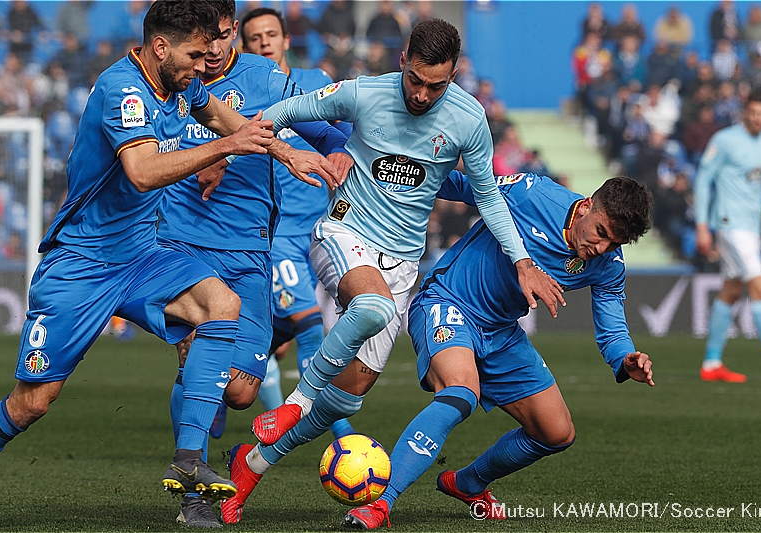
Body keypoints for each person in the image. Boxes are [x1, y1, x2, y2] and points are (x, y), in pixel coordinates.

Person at [220, 18, 564, 523]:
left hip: (402, 264)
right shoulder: (363, 94)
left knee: (344, 400)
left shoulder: (468, 120)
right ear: (403, 59)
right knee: (373, 307)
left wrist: (523, 261)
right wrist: (235, 152)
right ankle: (294, 401)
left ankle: (249, 466)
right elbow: (284, 111)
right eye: (416, 80)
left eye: (437, 86)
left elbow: (486, 195)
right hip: (343, 233)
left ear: (452, 77)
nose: (423, 95)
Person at [0, 0, 290, 505]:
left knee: (221, 306)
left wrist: (285, 151)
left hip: (143, 254)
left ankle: (190, 459)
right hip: (82, 264)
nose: (203, 64)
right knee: (32, 403)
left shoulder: (180, 82)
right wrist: (224, 149)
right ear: (161, 46)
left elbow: (222, 117)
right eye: (194, 54)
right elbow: (143, 172)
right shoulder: (121, 89)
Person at [344, 172, 655, 529]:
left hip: (501, 331)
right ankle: (381, 502)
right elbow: (465, 184)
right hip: (449, 301)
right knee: (461, 393)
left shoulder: (608, 265)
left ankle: (467, 483)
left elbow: (612, 322)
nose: (601, 248)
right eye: (601, 233)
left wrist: (625, 357)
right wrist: (402, 174)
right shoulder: (532, 194)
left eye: (613, 243)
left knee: (556, 432)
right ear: (586, 207)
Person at [157, 1, 349, 526]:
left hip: (250, 251)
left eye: (222, 37)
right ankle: (191, 490)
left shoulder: (267, 78)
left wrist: (343, 150)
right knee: (206, 349)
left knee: (242, 389)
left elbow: (316, 127)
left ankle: (200, 401)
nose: (213, 50)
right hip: (184, 246)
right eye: (204, 40)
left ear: (233, 33)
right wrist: (211, 154)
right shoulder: (173, 78)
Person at [239, 6, 356, 442]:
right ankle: (338, 434)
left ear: (287, 40)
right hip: (274, 235)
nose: (265, 42)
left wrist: (343, 151)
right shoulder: (244, 92)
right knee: (309, 322)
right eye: (255, 38)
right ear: (244, 46)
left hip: (325, 229)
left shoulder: (316, 85)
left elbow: (345, 133)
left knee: (276, 336)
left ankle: (208, 389)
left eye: (272, 34)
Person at [695, 89, 761, 382]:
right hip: (729, 224)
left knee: (731, 291)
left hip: (752, 228)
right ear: (745, 111)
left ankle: (711, 363)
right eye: (753, 112)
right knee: (760, 287)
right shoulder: (725, 140)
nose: (757, 118)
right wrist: (702, 225)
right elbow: (703, 179)